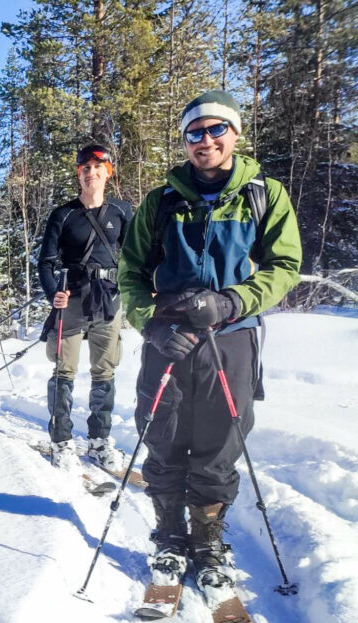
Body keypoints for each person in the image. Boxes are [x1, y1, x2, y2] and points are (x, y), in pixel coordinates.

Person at [118, 90, 302, 592]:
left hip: (232, 338)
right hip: (170, 338)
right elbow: (130, 272)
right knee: (162, 434)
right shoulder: (162, 202)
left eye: (216, 129)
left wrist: (233, 301)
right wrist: (150, 323)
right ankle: (170, 537)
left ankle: (208, 540)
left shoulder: (265, 194)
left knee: (220, 442)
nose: (206, 141)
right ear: (185, 142)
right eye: (195, 133)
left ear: (235, 134)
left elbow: (285, 267)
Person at [39, 145, 133, 471]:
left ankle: (98, 441)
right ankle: (61, 441)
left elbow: (135, 258)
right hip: (72, 301)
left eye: (98, 166)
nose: (91, 172)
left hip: (109, 302)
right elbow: (46, 263)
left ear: (109, 172)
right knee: (64, 371)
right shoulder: (63, 215)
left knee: (104, 371)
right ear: (78, 173)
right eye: (85, 167)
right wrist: (54, 294)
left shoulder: (122, 212)